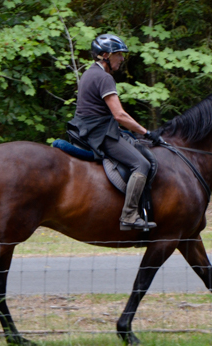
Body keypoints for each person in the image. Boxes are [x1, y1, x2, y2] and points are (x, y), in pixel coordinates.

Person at [68, 34, 158, 231]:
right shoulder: (104, 78)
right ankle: (129, 215)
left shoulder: (89, 72)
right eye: (119, 54)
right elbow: (120, 115)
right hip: (99, 134)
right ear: (105, 55)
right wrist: (147, 132)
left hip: (87, 130)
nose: (122, 59)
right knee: (140, 164)